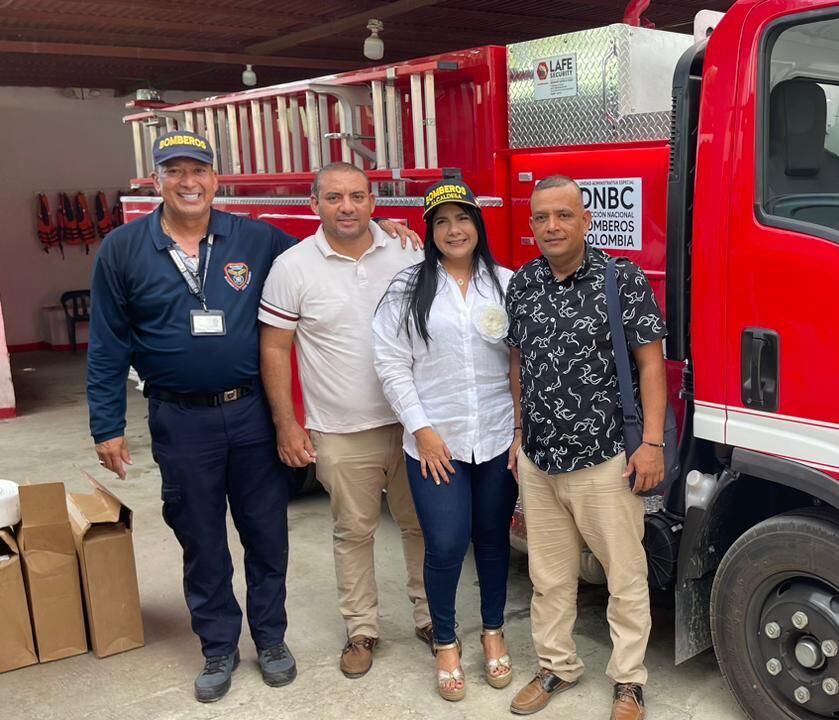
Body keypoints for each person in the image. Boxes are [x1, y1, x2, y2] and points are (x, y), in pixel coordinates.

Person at [87, 130, 419, 703]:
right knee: (200, 535)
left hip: (249, 414)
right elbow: (108, 343)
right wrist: (106, 423)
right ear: (158, 180)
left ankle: (270, 640)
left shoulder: (256, 238)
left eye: (199, 171)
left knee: (266, 532)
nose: (188, 182)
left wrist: (388, 229)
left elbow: (330, 240)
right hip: (179, 417)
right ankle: (218, 646)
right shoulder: (121, 250)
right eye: (175, 172)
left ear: (216, 179)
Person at [258, 162, 432, 680]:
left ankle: (431, 618)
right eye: (334, 198)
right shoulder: (292, 266)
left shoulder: (408, 250)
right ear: (315, 204)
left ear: (374, 203)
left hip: (412, 425)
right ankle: (362, 629)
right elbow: (274, 348)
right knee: (352, 532)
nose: (348, 207)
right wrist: (287, 425)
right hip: (338, 429)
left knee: (421, 525)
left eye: (357, 196)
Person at [504, 176, 668, 720]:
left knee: (624, 576)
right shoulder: (523, 283)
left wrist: (650, 442)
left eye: (563, 215)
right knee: (548, 578)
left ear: (585, 219)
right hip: (539, 458)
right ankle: (556, 666)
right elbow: (518, 363)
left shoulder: (621, 279)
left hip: (606, 460)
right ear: (531, 225)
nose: (552, 226)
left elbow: (650, 364)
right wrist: (519, 433)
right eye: (541, 218)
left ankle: (628, 681)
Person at [372, 179, 519, 702]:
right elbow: (391, 365)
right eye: (441, 222)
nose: (453, 230)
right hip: (437, 444)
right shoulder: (407, 290)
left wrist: (520, 431)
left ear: (478, 225)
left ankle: (495, 632)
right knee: (448, 543)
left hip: (498, 436)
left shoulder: (507, 284)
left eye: (462, 218)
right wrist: (422, 428)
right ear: (430, 231)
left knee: (493, 541)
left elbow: (520, 365)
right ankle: (447, 643)